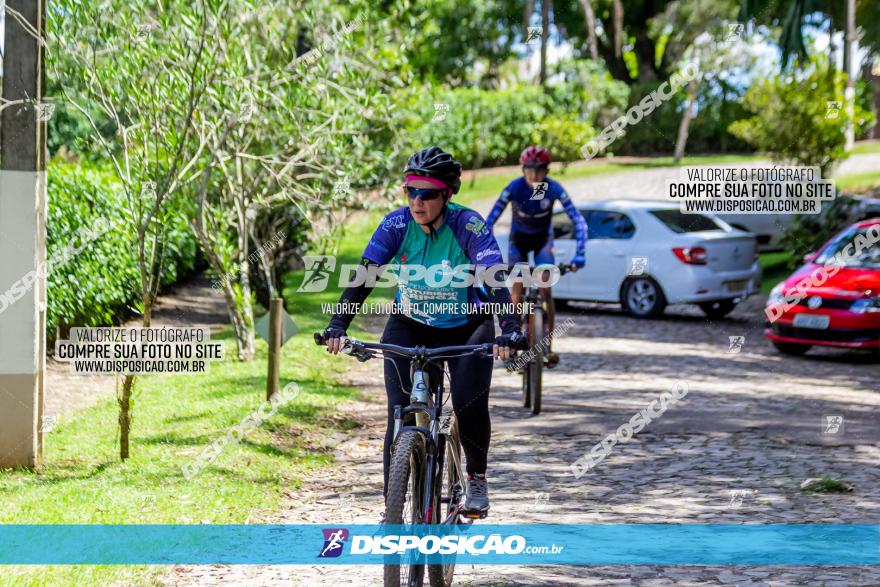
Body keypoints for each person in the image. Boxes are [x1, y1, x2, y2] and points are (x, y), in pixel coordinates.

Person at [321, 146, 524, 517]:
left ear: (447, 195)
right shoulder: (396, 225)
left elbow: (495, 279)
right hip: (409, 325)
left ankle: (476, 476)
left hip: (467, 328)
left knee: (468, 403)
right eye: (410, 190)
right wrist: (338, 323)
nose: (417, 200)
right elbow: (364, 277)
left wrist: (509, 327)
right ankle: (392, 507)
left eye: (427, 193)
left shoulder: (469, 226)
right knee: (398, 412)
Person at [485, 146, 587, 367]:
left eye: (539, 170)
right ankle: (512, 338)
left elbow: (578, 220)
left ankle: (548, 346)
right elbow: (489, 221)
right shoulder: (514, 187)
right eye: (529, 170)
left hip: (543, 241)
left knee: (545, 286)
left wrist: (580, 254)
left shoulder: (553, 188)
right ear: (522, 170)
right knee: (517, 289)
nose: (534, 175)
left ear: (546, 171)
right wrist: (481, 254)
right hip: (518, 242)